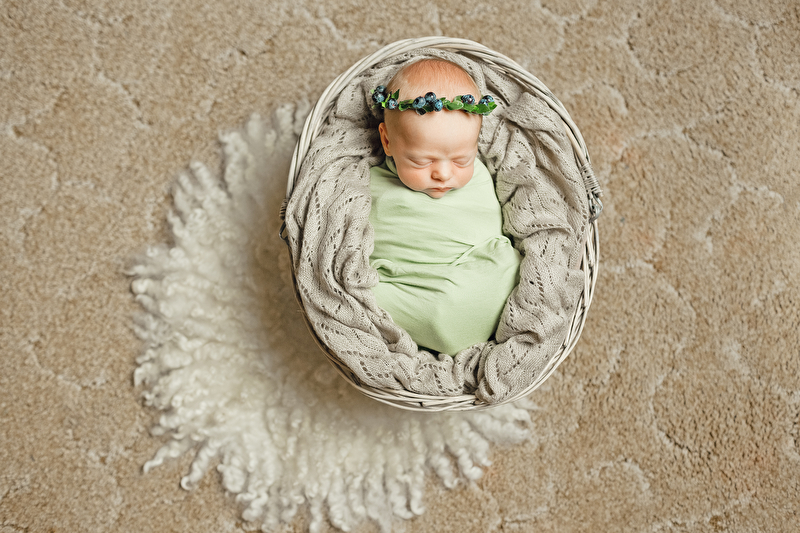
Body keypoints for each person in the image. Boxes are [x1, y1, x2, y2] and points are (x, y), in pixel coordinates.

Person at [368, 58, 522, 355]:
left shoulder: (482, 176)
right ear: (387, 141)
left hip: (484, 284)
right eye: (421, 161)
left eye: (462, 160)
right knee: (361, 293)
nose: (443, 174)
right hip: (414, 292)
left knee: (510, 264)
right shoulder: (367, 184)